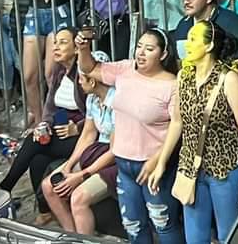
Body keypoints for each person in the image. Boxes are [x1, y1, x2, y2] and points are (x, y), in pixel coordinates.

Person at [149, 20, 238, 244]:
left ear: (208, 46)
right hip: (191, 168)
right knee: (195, 238)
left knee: (229, 235)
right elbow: (177, 122)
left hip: (225, 168)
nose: (186, 44)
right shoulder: (183, 77)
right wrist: (161, 162)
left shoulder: (229, 79)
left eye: (193, 39)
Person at [76, 27, 183, 244]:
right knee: (133, 224)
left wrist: (158, 161)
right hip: (123, 164)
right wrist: (83, 47)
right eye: (139, 47)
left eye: (149, 49)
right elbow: (89, 68)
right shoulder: (125, 69)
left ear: (163, 54)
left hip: (153, 167)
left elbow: (177, 127)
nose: (141, 53)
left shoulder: (172, 85)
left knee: (163, 223)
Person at [0, 27, 84, 223]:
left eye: (63, 42)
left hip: (81, 136)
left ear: (77, 48)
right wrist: (44, 125)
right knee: (37, 157)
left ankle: (5, 188)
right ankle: (45, 210)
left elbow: (95, 114)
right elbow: (50, 106)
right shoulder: (59, 70)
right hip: (59, 127)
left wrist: (77, 127)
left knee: (33, 143)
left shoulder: (84, 72)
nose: (56, 47)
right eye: (55, 43)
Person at [41, 50, 117, 235]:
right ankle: (73, 235)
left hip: (115, 158)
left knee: (78, 197)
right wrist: (69, 166)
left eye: (81, 78)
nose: (78, 82)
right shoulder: (92, 99)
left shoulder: (117, 101)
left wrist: (81, 175)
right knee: (48, 185)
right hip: (97, 150)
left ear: (93, 80)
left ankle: (86, 239)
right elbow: (87, 136)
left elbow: (115, 150)